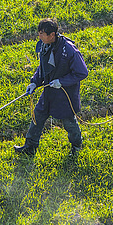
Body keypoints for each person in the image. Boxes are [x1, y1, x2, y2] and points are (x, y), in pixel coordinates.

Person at [14, 18, 89, 157]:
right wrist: (34, 82)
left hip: (64, 94)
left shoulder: (69, 50)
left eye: (42, 33)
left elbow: (82, 72)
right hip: (48, 92)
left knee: (69, 123)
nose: (39, 36)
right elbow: (42, 68)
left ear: (52, 35)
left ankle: (76, 146)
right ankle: (30, 147)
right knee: (37, 116)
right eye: (39, 32)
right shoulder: (44, 45)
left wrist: (62, 81)